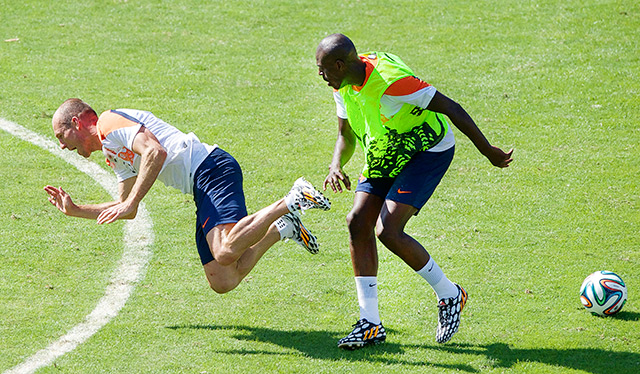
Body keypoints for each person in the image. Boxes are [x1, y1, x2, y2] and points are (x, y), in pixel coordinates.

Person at [315, 34, 513, 349]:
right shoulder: (344, 84)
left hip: (427, 151)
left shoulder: (393, 82)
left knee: (388, 230)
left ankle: (450, 294)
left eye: (323, 69)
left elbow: (452, 107)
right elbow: (346, 134)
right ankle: (370, 324)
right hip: (387, 150)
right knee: (357, 222)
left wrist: (488, 151)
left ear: (339, 65)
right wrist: (335, 164)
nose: (321, 77)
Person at [44, 98, 331, 294]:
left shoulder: (109, 122)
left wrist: (132, 202)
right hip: (199, 187)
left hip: (211, 168)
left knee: (225, 250)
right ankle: (282, 228)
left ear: (77, 123)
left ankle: (291, 198)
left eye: (61, 136)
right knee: (223, 280)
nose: (62, 145)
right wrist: (76, 209)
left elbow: (156, 152)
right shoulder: (112, 151)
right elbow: (126, 207)